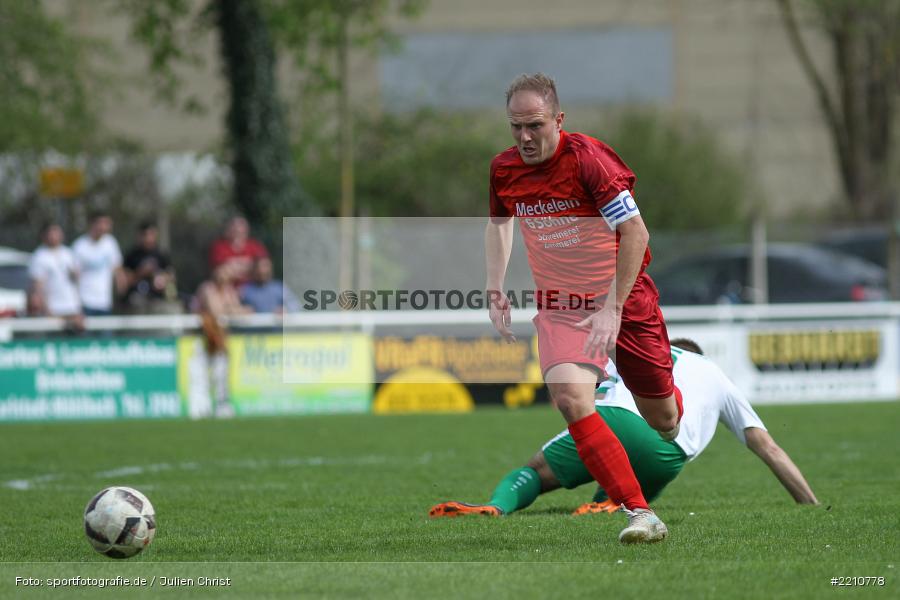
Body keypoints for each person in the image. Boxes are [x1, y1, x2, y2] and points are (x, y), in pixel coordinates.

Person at [485, 73, 681, 543]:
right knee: (571, 400)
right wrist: (495, 286)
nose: (524, 137)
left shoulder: (590, 161)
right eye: (516, 126)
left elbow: (635, 233)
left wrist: (613, 308)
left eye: (534, 125)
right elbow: (499, 223)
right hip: (561, 305)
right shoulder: (504, 169)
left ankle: (677, 382)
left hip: (623, 297)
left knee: (665, 422)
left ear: (559, 120)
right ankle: (640, 513)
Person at [430, 340, 819, 520]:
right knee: (635, 482)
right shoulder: (717, 374)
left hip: (618, 419)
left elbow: (590, 385)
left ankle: (498, 505)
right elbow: (767, 447)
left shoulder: (642, 351)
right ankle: (610, 503)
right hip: (667, 457)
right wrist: (810, 505)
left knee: (534, 470)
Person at [28, 223, 83, 327]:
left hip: (72, 307)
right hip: (53, 308)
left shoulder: (68, 253)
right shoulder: (40, 256)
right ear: (44, 235)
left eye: (57, 232)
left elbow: (76, 280)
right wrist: (46, 308)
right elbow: (38, 286)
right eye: (52, 233)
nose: (55, 236)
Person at [72, 212, 125, 316]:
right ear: (92, 224)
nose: (105, 227)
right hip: (84, 302)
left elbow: (117, 268)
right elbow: (75, 275)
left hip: (105, 302)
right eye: (102, 223)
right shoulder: (79, 246)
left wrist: (121, 287)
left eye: (107, 224)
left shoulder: (111, 243)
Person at [122, 221, 180, 314]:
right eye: (145, 234)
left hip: (158, 298)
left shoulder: (161, 254)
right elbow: (124, 282)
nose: (148, 238)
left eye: (151, 234)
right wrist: (141, 272)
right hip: (137, 298)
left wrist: (162, 279)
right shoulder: (132, 255)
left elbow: (172, 276)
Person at [208, 216, 269, 287]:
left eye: (240, 229)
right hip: (227, 287)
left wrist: (232, 266)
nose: (237, 231)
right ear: (228, 229)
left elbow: (264, 267)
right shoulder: (219, 247)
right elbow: (219, 272)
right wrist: (248, 266)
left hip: (254, 287)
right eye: (234, 229)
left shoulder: (255, 246)